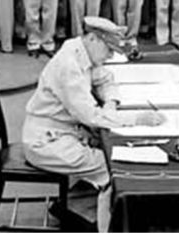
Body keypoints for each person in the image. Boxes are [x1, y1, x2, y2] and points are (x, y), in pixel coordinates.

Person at [22, 16, 164, 232]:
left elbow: (105, 79)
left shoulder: (81, 50)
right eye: (108, 50)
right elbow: (91, 116)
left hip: (63, 131)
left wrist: (111, 102)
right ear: (94, 39)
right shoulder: (69, 65)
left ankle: (80, 208)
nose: (110, 56)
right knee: (113, 170)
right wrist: (138, 119)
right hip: (46, 141)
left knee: (109, 152)